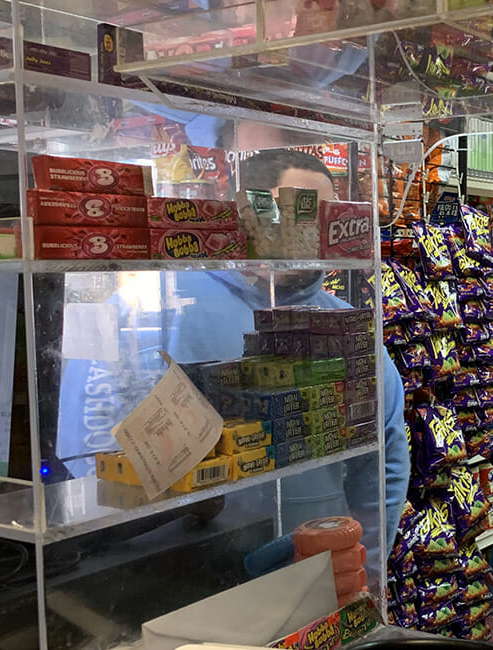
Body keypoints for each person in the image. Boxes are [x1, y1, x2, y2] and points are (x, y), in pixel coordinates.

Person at [55, 148, 409, 573]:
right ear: (245, 211)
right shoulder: (153, 305)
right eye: (295, 211)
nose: (309, 231)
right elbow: (89, 446)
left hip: (314, 576)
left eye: (323, 216)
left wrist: (363, 576)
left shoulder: (346, 327)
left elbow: (382, 467)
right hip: (182, 575)